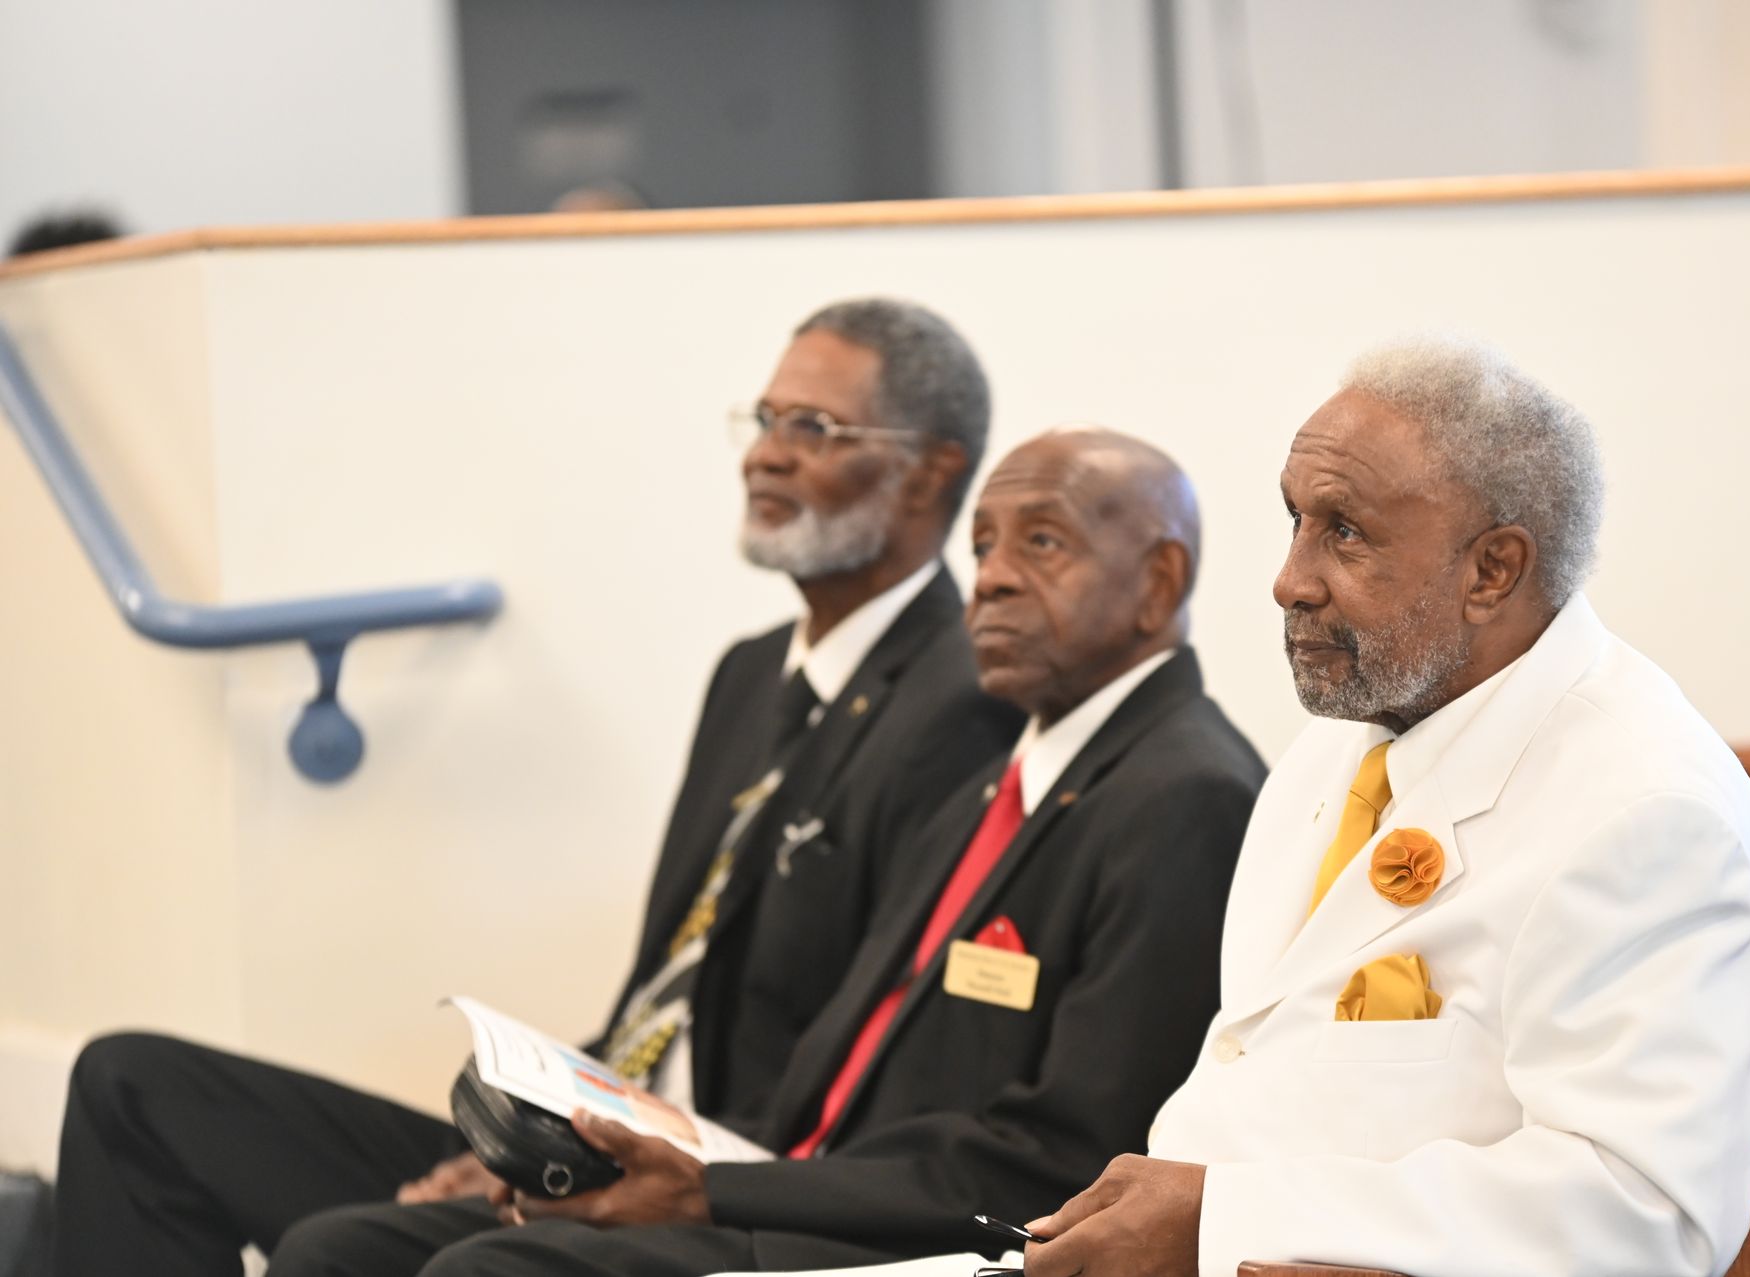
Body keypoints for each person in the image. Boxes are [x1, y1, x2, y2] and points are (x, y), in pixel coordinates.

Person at [52, 298, 1024, 1277]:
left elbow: (863, 1058)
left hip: (719, 1188)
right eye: (765, 420)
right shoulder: (750, 672)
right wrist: (525, 1129)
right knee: (131, 1083)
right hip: (592, 1133)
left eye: (812, 427)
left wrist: (642, 1164)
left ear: (931, 470)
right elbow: (671, 990)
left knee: (336, 1252)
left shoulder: (966, 703)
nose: (766, 454)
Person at [263, 426, 1268, 1276]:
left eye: (1041, 543)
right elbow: (842, 1043)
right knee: (342, 1252)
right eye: (983, 545)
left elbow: (1058, 1155)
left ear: (1159, 581)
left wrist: (717, 1190)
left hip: (928, 1242)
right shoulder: (1010, 779)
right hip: (803, 1192)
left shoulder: (1185, 793)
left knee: (488, 1271)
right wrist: (654, 1152)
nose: (992, 577)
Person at [1015, 337, 1750, 1277]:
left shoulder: (1648, 808)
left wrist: (1224, 1221)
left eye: (1346, 531)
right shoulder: (1338, 746)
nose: (1290, 579)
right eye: (1296, 519)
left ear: (1493, 570)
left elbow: (1644, 1212)